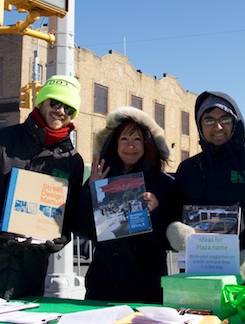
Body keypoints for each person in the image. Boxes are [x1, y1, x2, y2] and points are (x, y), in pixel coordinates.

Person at [0, 75, 84, 304]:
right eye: (55, 103)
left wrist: (59, 239)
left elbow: (69, 217)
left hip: (28, 277)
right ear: (41, 102)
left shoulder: (72, 161)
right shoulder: (1, 140)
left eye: (69, 108)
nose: (61, 111)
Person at [167, 91, 245, 282]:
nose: (217, 126)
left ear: (235, 122)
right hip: (196, 276)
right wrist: (173, 229)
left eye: (225, 118)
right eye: (208, 120)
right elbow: (172, 210)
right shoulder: (188, 169)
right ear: (199, 125)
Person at [72, 106, 179, 303]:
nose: (130, 145)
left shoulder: (163, 184)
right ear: (115, 144)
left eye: (137, 139)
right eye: (124, 139)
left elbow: (169, 241)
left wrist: (155, 212)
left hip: (146, 288)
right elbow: (83, 229)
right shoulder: (100, 178)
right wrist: (92, 192)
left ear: (147, 144)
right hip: (103, 286)